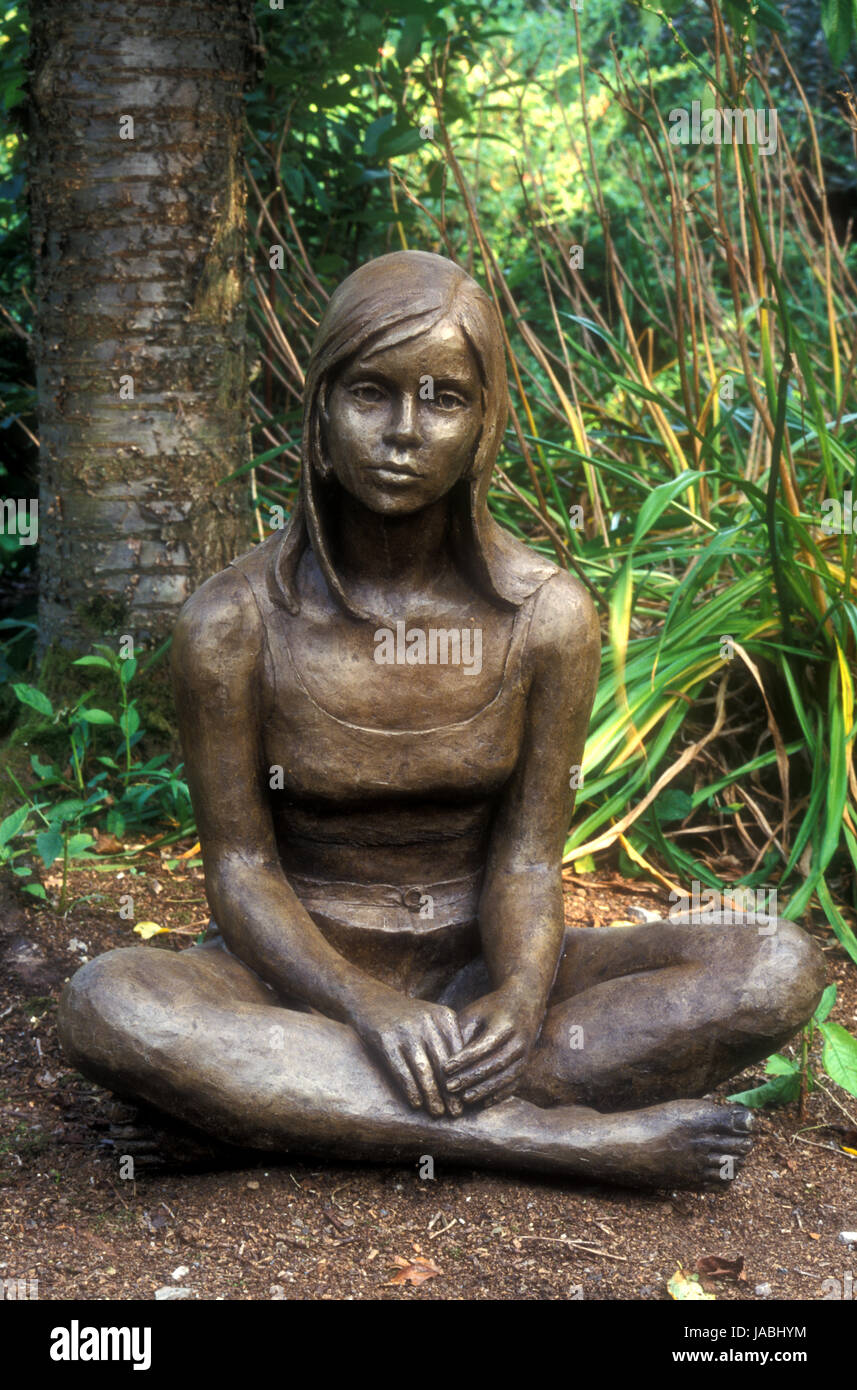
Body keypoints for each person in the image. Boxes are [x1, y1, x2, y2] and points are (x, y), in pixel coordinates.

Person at [58, 252, 824, 1186]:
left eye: (444, 399)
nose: (404, 432)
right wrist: (368, 1008)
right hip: (294, 988)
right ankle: (551, 1139)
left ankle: (277, 1113)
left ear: (484, 422)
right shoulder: (232, 624)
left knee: (773, 965)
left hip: (472, 979)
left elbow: (530, 859)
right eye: (370, 394)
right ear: (320, 415)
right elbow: (243, 870)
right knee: (113, 1001)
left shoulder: (547, 617)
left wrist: (521, 993)